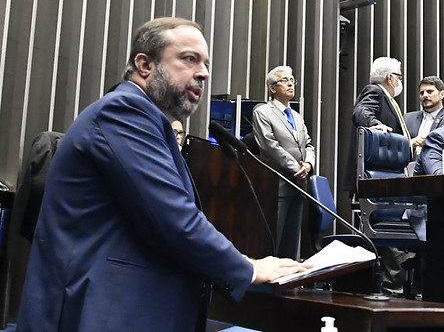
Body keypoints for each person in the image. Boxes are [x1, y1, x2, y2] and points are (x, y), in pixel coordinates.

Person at [17, 17, 310, 331]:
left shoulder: (153, 124)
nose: (204, 72)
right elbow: (173, 218)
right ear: (145, 64)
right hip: (97, 312)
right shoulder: (124, 112)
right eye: (189, 59)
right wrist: (248, 269)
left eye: (205, 63)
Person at [350, 57, 412, 295]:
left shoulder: (389, 100)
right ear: (391, 78)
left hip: (386, 182)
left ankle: (394, 289)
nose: (400, 81)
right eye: (400, 75)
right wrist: (374, 123)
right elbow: (360, 111)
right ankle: (390, 291)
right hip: (375, 184)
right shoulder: (375, 91)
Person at [251, 65, 315, 260]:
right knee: (273, 239)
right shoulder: (263, 112)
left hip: (298, 184)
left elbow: (309, 144)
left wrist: (309, 165)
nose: (290, 84)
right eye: (285, 80)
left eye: (292, 80)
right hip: (277, 184)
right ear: (272, 88)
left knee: (292, 241)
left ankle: (289, 280)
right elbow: (270, 146)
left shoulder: (296, 116)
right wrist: (297, 168)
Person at [404, 76, 444, 156]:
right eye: (422, 93)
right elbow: (397, 146)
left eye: (429, 91)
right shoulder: (408, 119)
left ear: (442, 94)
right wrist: (412, 142)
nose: (425, 95)